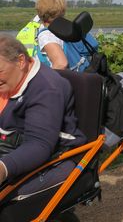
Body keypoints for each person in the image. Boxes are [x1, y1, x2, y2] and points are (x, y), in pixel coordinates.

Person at [0, 36, 86, 197]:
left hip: (54, 159)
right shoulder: (10, 81)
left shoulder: (46, 89)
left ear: (20, 61)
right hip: (11, 145)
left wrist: (3, 168)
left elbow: (39, 144)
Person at [33, 0, 70, 69]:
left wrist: (50, 79)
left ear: (40, 12)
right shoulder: (66, 29)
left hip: (63, 79)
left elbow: (61, 64)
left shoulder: (46, 35)